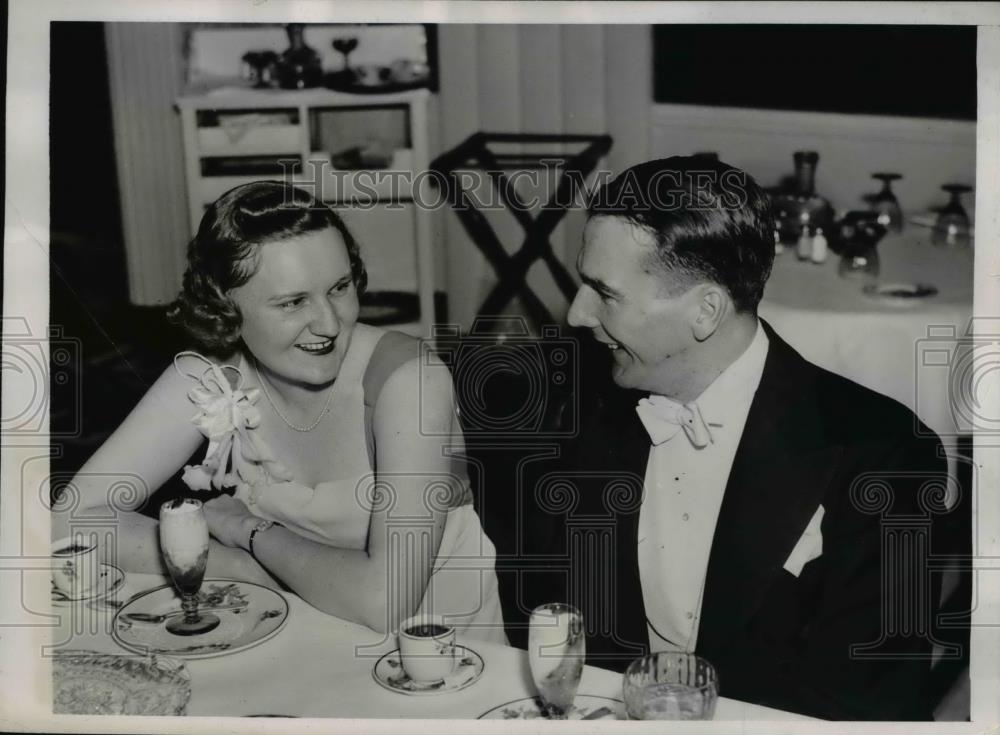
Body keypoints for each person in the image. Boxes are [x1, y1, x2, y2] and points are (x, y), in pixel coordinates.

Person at [524, 156, 947, 719]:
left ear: (705, 311)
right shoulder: (576, 410)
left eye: (605, 292)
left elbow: (871, 703)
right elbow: (553, 620)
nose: (576, 314)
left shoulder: (885, 455)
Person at [52, 181, 506, 643]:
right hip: (303, 643)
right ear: (225, 307)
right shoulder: (210, 376)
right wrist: (226, 561)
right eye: (293, 302)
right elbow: (69, 517)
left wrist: (249, 532)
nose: (329, 323)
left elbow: (384, 602)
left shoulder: (411, 381)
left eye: (340, 287)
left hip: (443, 668)